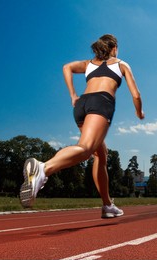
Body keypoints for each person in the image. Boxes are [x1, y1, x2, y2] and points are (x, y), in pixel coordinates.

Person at [20, 34, 144, 218]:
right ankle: (43, 169)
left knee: (100, 153)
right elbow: (136, 95)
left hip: (82, 105)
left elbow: (66, 67)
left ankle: (107, 205)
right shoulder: (121, 64)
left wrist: (72, 95)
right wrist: (139, 112)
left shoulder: (88, 64)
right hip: (101, 103)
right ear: (114, 47)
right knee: (86, 148)